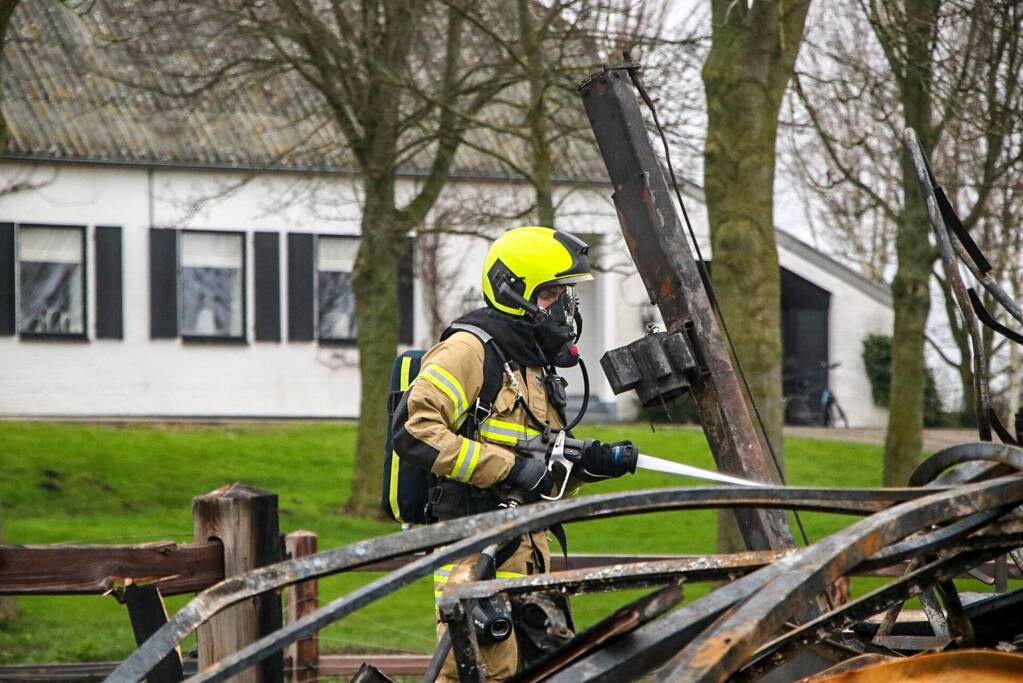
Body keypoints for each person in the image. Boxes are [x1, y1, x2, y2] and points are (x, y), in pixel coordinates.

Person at [391, 226, 637, 681]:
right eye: (549, 295)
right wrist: (510, 469)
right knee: (477, 674)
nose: (562, 307)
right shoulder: (467, 351)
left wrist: (589, 465)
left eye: (564, 295)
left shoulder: (531, 362)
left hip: (529, 553)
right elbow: (414, 431)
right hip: (474, 552)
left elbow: (540, 461)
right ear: (513, 292)